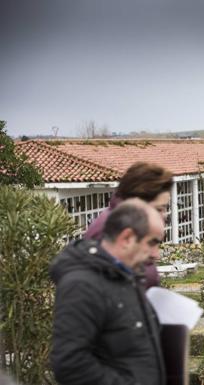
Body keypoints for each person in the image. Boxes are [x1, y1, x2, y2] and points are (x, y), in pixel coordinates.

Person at [50, 199, 166, 385]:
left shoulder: (125, 276)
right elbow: (70, 364)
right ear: (127, 238)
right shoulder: (81, 285)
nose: (155, 254)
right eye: (151, 242)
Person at [85, 162, 173, 289]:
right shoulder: (108, 230)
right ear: (139, 202)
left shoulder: (130, 222)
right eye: (159, 209)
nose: (164, 215)